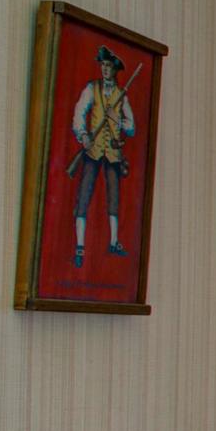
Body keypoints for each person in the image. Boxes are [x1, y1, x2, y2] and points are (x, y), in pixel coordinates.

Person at [67, 47, 136, 268]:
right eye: (103, 65)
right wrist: (84, 135)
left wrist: (116, 119)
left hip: (113, 154)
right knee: (84, 197)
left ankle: (114, 242)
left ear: (115, 70)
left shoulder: (121, 96)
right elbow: (79, 114)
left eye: (109, 66)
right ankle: (80, 246)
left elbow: (131, 127)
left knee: (113, 199)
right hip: (93, 151)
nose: (105, 69)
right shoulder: (91, 88)